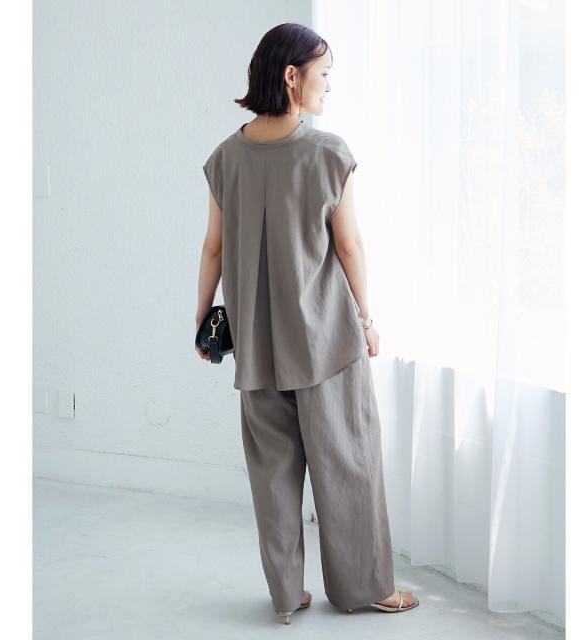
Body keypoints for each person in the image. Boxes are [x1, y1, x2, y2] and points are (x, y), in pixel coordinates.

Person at [195, 22, 418, 624]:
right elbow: (349, 245)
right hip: (326, 341)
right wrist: (366, 319)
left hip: (257, 347)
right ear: (292, 76)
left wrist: (204, 318)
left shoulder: (225, 159)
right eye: (324, 75)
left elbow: (213, 248)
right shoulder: (328, 153)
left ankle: (287, 595)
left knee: (272, 477)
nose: (329, 87)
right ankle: (364, 588)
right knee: (349, 465)